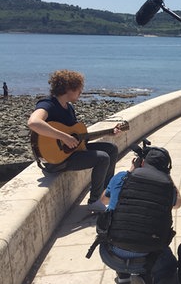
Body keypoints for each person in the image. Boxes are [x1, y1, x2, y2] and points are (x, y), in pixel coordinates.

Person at [27, 70, 119, 211]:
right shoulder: (48, 104)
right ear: (69, 89)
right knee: (102, 158)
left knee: (111, 149)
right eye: (79, 90)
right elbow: (33, 122)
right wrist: (63, 137)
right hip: (55, 159)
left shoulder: (69, 108)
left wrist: (109, 132)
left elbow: (77, 139)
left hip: (70, 152)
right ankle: (94, 202)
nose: (81, 93)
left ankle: (105, 193)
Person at [98, 147, 181, 284]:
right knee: (170, 265)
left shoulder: (122, 177)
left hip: (110, 254)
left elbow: (104, 200)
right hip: (145, 261)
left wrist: (130, 171)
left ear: (142, 163)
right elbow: (177, 204)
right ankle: (147, 277)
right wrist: (168, 177)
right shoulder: (168, 188)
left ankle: (123, 273)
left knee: (121, 222)